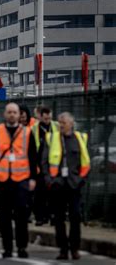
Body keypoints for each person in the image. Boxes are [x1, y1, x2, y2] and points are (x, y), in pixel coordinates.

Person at [0, 102, 38, 259]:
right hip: (3, 180)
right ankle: (7, 248)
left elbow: (32, 156)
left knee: (22, 216)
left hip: (21, 179)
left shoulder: (27, 133)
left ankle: (22, 247)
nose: (12, 115)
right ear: (5, 114)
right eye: (9, 112)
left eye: (14, 112)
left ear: (18, 115)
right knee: (4, 217)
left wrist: (33, 178)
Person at [42, 112, 90, 261]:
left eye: (64, 122)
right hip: (58, 185)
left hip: (74, 184)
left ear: (71, 123)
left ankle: (75, 248)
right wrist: (49, 179)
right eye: (60, 122)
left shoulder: (79, 138)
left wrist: (82, 179)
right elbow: (44, 161)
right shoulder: (52, 138)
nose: (61, 125)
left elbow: (86, 161)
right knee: (59, 219)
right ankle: (63, 249)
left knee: (76, 216)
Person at [31, 106, 59, 226]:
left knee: (53, 193)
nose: (48, 119)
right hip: (39, 164)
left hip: (53, 163)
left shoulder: (56, 126)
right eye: (45, 117)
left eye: (49, 117)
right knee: (39, 193)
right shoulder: (35, 128)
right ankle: (40, 217)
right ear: (40, 116)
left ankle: (52, 216)